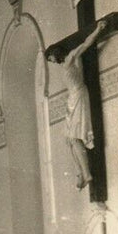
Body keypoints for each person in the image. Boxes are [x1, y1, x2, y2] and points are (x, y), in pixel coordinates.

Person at [46, 18, 107, 189]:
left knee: (75, 137)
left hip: (79, 95)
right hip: (73, 98)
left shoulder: (71, 57)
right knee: (68, 139)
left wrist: (98, 30)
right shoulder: (65, 65)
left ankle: (86, 174)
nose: (51, 61)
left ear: (55, 52)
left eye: (50, 57)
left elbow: (86, 44)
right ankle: (80, 172)